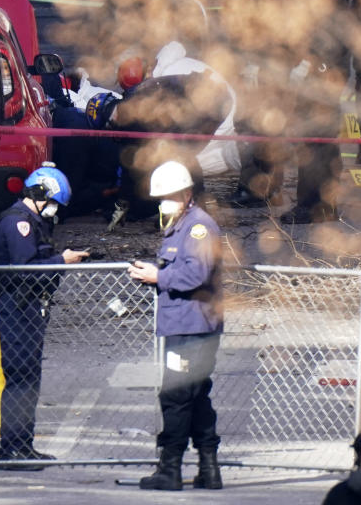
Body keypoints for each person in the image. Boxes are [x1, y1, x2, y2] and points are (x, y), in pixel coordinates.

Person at [127, 161, 223, 491]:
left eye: (169, 196)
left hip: (192, 327)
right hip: (184, 324)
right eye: (160, 197)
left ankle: (170, 468)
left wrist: (160, 276)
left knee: (176, 397)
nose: (163, 202)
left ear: (186, 194)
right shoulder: (181, 226)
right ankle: (209, 468)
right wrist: (153, 275)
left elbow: (197, 274)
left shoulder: (198, 228)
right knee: (194, 397)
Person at [0, 165, 88, 469]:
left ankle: (24, 445)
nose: (54, 209)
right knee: (20, 379)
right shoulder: (18, 223)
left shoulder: (30, 221)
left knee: (29, 380)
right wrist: (63, 260)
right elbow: (27, 269)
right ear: (40, 194)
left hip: (28, 311)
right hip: (18, 310)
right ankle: (13, 450)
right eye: (53, 202)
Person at [279, 0, 352, 224]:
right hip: (331, 71)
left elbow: (322, 34)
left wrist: (307, 65)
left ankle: (311, 205)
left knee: (312, 141)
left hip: (321, 73)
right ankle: (328, 204)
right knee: (326, 142)